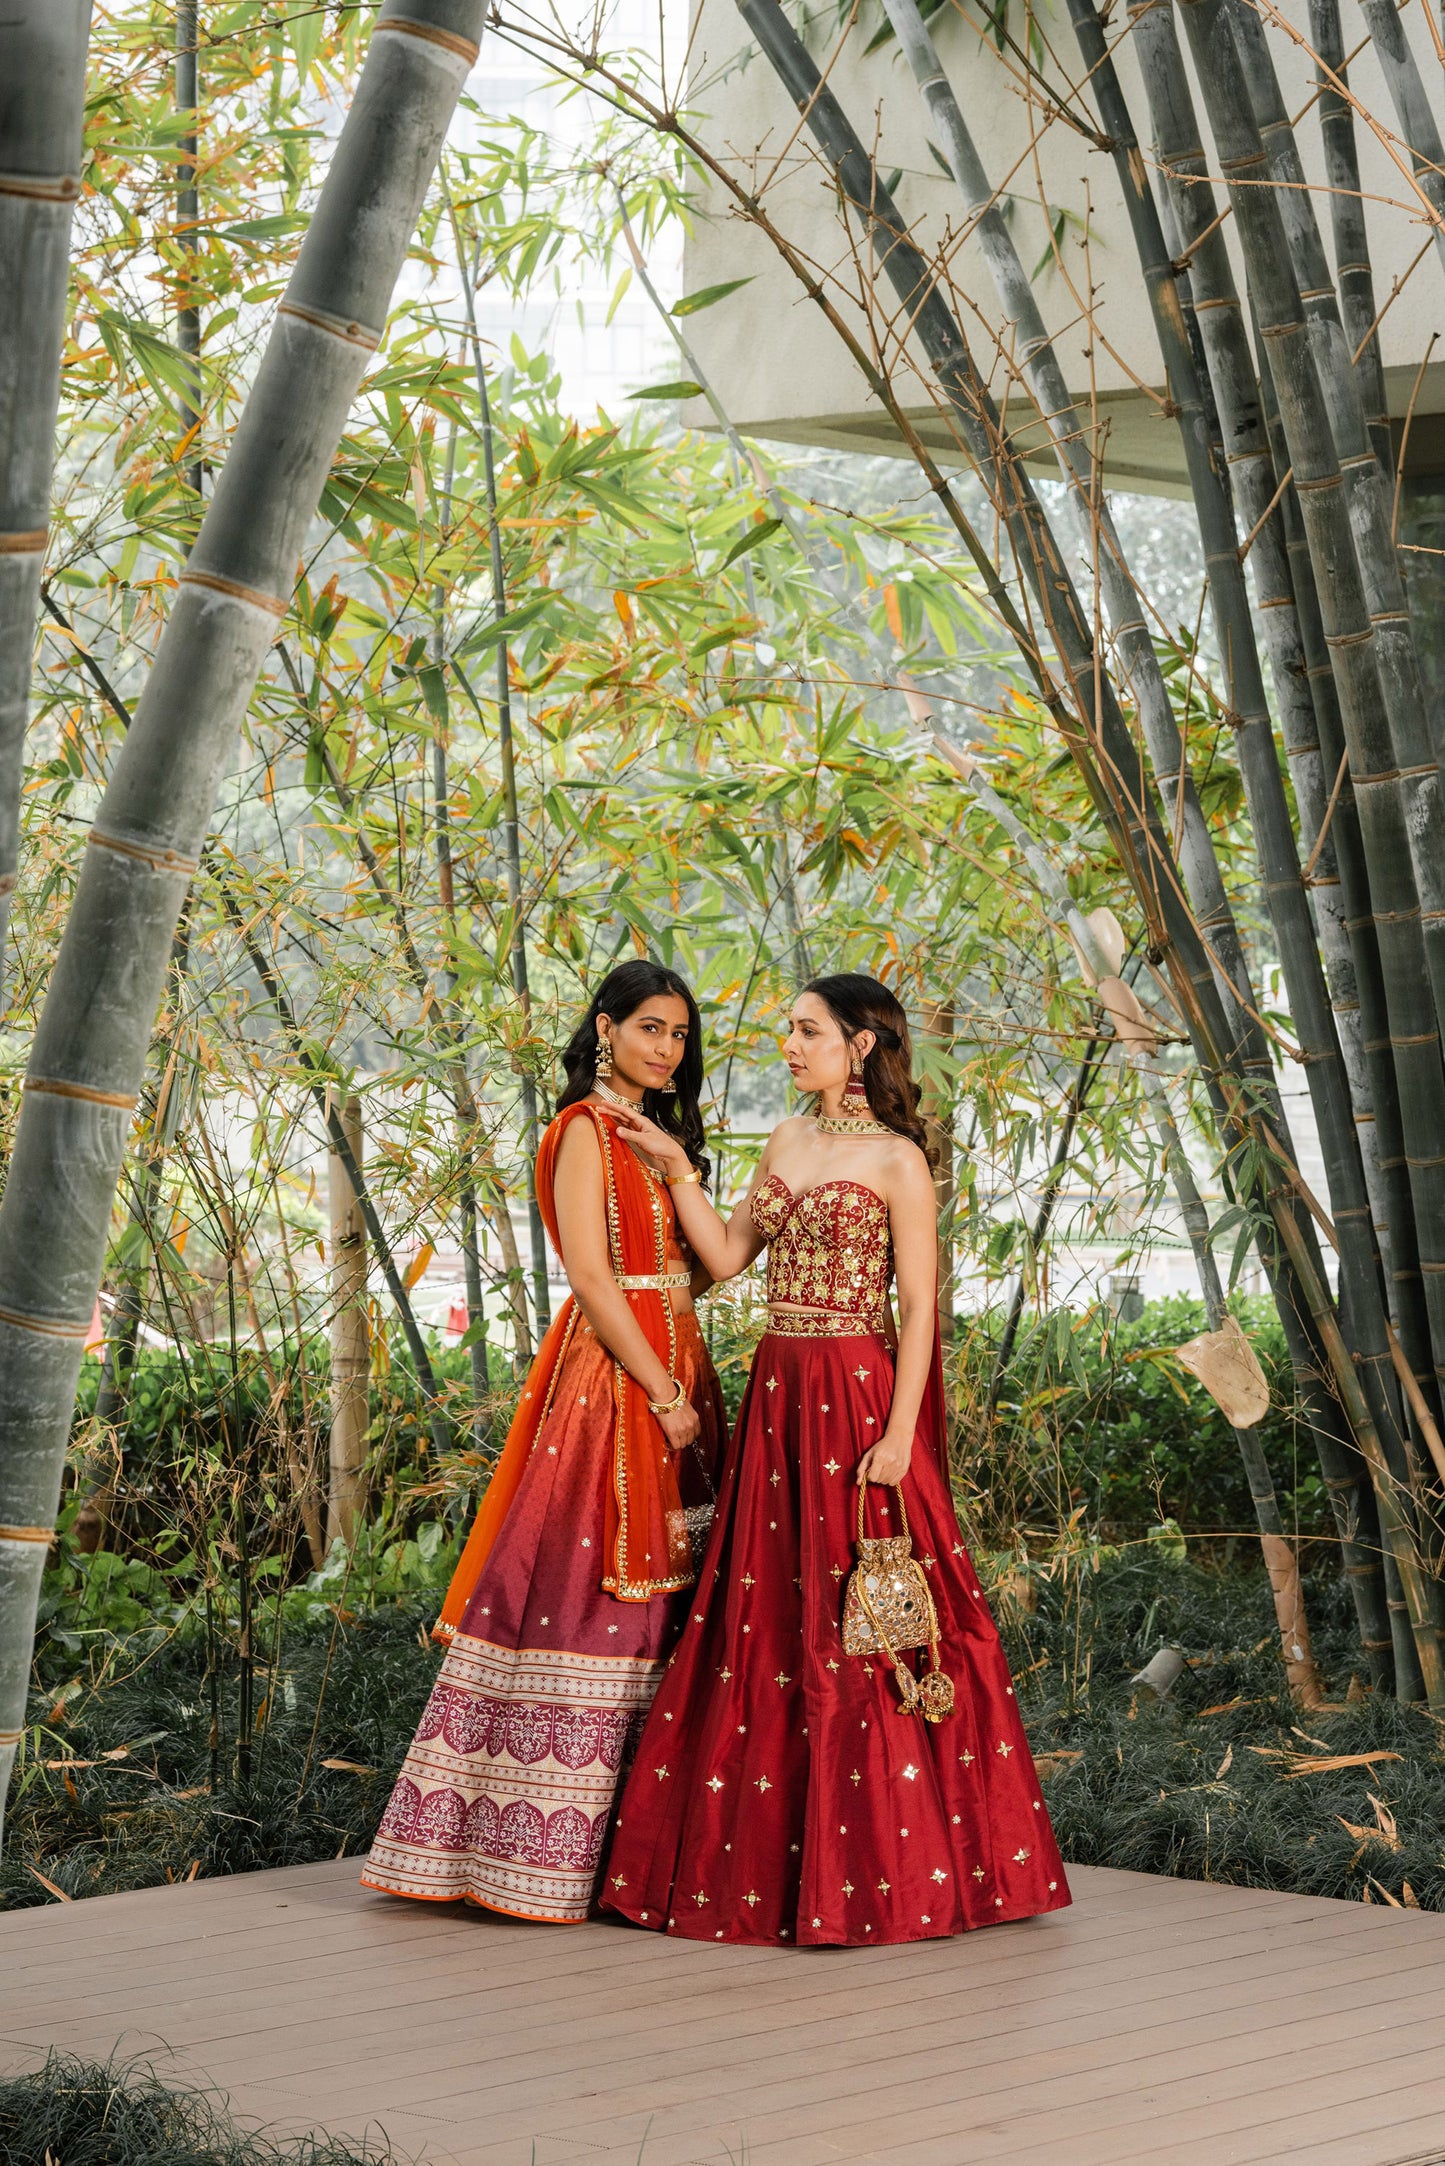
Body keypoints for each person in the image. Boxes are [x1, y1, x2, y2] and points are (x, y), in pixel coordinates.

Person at [599, 972, 1069, 1947]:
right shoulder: (786, 1141)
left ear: (859, 1045)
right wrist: (676, 1171)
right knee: (765, 1614)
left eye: (806, 1030)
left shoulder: (897, 1162)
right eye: (786, 1030)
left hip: (855, 1396)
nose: (787, 1044)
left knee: (875, 1611)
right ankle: (764, 1866)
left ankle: (904, 1871)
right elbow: (727, 1260)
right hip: (778, 1394)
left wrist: (899, 1436)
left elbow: (919, 1311)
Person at [362, 961, 725, 1923]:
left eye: (679, 1036)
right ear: (604, 1029)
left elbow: (703, 1268)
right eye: (650, 1028)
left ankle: (632, 1853)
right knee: (586, 1582)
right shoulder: (577, 1132)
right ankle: (522, 1853)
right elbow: (595, 1280)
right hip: (618, 1379)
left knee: (671, 1595)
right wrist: (659, 1390)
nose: (666, 1048)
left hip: (679, 1362)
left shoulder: (655, 1137)